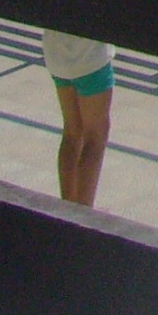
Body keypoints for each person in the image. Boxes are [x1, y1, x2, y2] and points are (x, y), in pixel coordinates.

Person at [41, 29, 114, 206]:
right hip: (90, 59)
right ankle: (84, 211)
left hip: (56, 54)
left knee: (72, 132)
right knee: (95, 137)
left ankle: (67, 207)